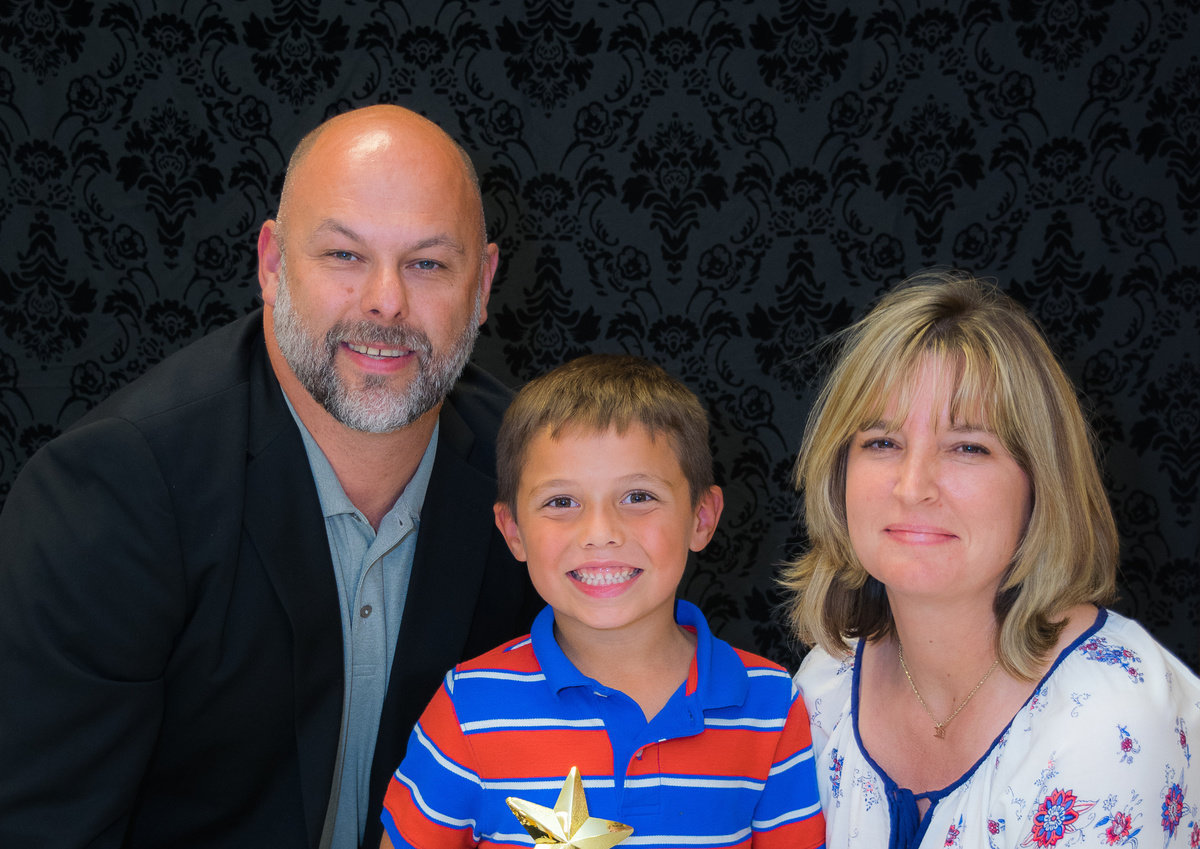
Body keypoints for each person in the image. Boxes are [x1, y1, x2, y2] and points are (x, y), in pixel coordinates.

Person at [0, 105, 540, 849]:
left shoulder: (540, 477)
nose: (386, 301)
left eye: (427, 264)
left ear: (482, 285)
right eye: (344, 255)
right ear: (272, 265)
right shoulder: (115, 491)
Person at [783, 270, 1200, 848]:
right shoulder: (827, 684)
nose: (913, 486)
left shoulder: (1106, 721)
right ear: (840, 474)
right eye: (882, 442)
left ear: (1040, 485)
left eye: (967, 447)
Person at [378, 354, 827, 848]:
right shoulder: (467, 708)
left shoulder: (771, 706)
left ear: (701, 517)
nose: (600, 532)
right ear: (514, 531)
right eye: (561, 502)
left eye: (638, 497)